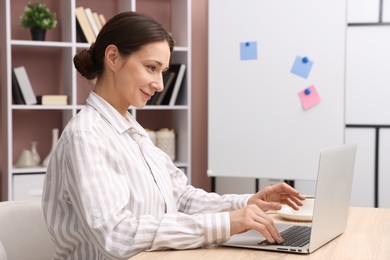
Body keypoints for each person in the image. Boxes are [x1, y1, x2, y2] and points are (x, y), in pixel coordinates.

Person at [42, 11, 305, 260]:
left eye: (162, 72)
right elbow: (116, 235)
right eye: (151, 67)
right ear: (113, 57)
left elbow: (181, 197)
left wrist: (248, 202)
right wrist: (225, 223)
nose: (159, 85)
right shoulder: (86, 136)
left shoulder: (132, 131)